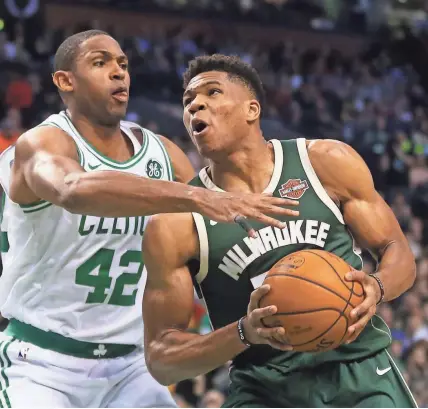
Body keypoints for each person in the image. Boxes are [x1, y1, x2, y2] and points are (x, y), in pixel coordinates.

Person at [0, 32, 298, 408]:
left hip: (131, 366)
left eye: (123, 65)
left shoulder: (163, 154)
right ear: (65, 81)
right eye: (100, 62)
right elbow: (72, 189)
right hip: (42, 361)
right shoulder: (41, 144)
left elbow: (209, 239)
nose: (118, 73)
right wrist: (197, 195)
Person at [142, 54, 418, 408]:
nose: (195, 104)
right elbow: (162, 361)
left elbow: (399, 253)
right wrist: (245, 331)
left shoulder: (326, 163)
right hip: (265, 388)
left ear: (251, 110)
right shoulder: (175, 223)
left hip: (358, 371)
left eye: (212, 93)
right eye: (188, 102)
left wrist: (377, 287)